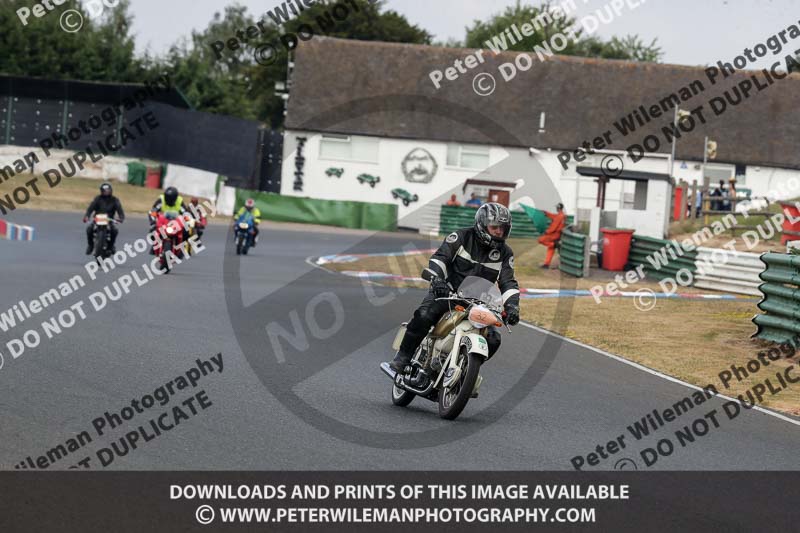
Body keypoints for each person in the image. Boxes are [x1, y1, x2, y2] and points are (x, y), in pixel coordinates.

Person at [390, 203, 520, 372]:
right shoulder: (460, 237)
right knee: (424, 315)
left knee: (494, 339)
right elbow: (441, 258)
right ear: (482, 224)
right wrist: (437, 280)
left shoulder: (505, 253)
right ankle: (403, 356)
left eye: (502, 228)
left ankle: (466, 368)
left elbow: (508, 282)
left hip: (478, 303)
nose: (499, 232)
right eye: (494, 227)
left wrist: (512, 307)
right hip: (448, 293)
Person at [83, 182, 125, 254]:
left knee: (114, 231)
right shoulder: (97, 199)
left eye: (108, 190)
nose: (107, 192)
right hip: (97, 219)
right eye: (105, 191)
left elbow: (120, 211)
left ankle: (111, 246)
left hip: (109, 220)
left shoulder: (115, 200)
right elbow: (90, 209)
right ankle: (90, 245)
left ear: (111, 190)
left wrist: (121, 218)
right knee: (89, 229)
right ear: (101, 191)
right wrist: (87, 216)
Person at [537, 203, 566, 269]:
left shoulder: (560, 216)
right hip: (557, 235)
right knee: (550, 249)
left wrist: (547, 232)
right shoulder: (561, 215)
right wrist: (546, 213)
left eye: (556, 207)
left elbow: (554, 227)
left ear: (558, 208)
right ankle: (546, 264)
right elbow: (553, 216)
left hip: (554, 235)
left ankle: (554, 244)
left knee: (540, 240)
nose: (556, 209)